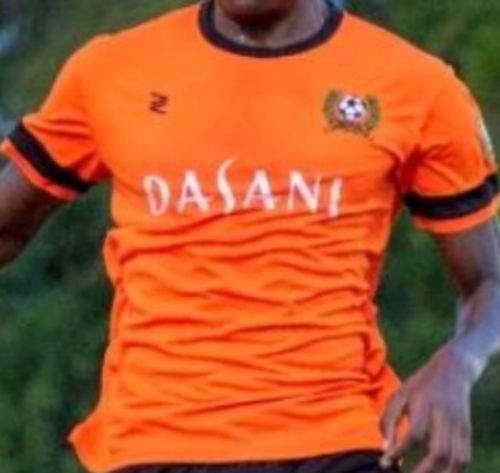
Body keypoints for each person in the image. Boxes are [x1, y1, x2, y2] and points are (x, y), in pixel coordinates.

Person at [0, 1, 499, 472]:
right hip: (154, 442)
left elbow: (489, 280)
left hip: (338, 438)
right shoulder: (112, 70)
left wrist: (460, 361)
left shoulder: (416, 86)